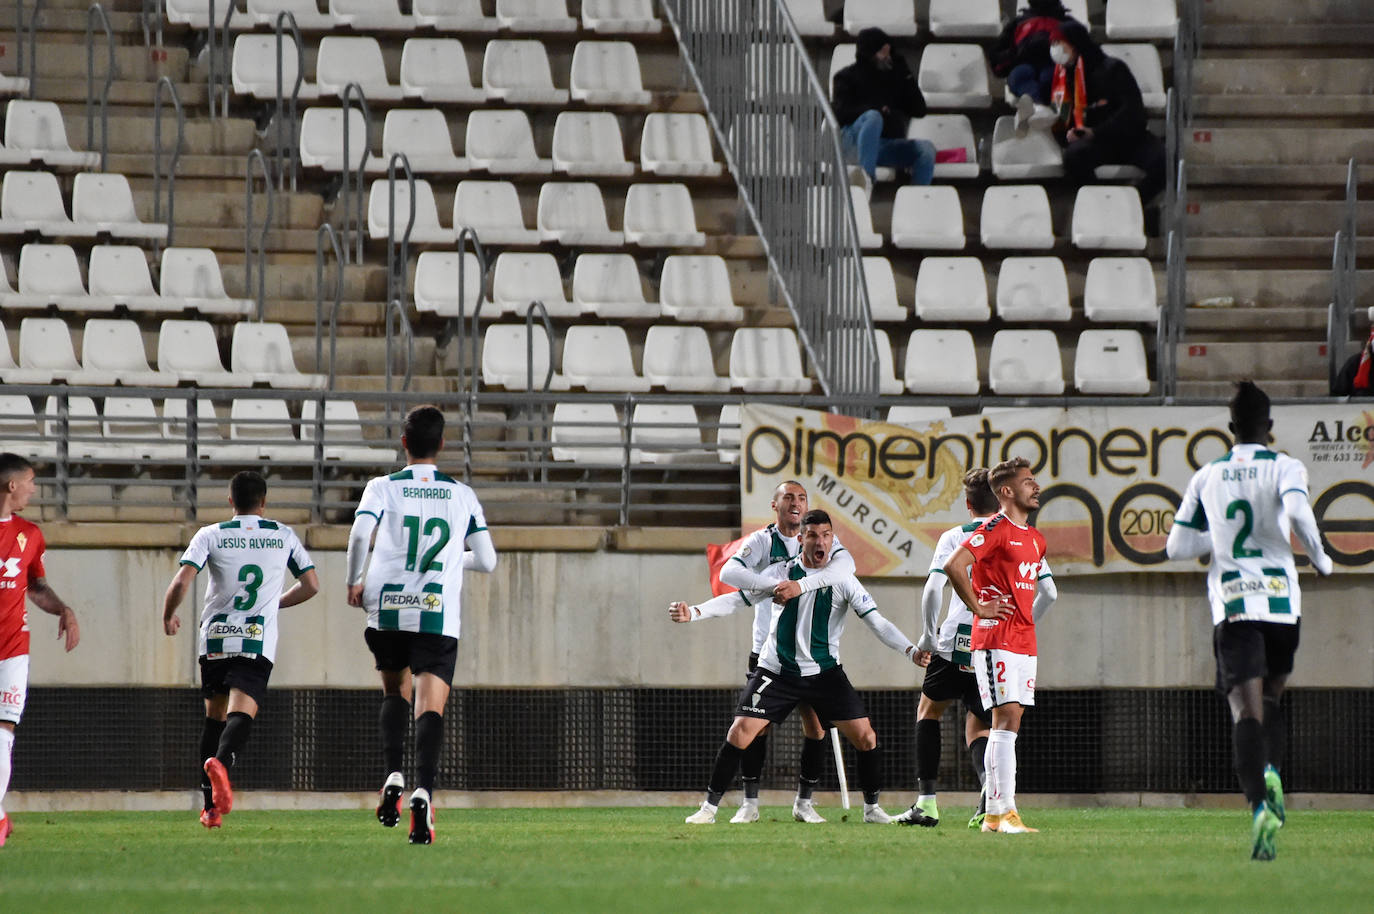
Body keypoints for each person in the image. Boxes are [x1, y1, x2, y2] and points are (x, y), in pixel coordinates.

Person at [1166, 381, 1333, 861]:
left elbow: (1175, 547)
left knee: (1246, 711)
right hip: (1283, 604)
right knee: (1275, 696)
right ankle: (1274, 771)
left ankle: (1259, 806)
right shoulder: (1285, 466)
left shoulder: (1207, 475)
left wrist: (1216, 542)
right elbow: (1300, 513)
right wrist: (1320, 560)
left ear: (1231, 428)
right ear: (1271, 427)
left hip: (1236, 606)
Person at [672, 509, 921, 826]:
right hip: (776, 671)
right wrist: (694, 612)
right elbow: (736, 600)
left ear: (833, 539)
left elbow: (877, 622)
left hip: (824, 674)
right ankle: (708, 809)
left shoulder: (843, 579)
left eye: (826, 535)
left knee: (866, 737)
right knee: (740, 732)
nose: (820, 541)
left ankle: (871, 809)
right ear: (801, 538)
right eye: (813, 535)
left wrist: (910, 649)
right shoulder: (778, 573)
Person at [346, 405, 497, 845]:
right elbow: (487, 560)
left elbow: (358, 536)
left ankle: (393, 773)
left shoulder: (382, 487)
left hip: (387, 608)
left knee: (395, 692)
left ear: (404, 442)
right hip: (436, 613)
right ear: (443, 445)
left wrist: (354, 581)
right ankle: (424, 792)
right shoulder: (461, 494)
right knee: (430, 705)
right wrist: (452, 560)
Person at [896, 468, 1056, 829]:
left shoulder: (958, 534)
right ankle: (990, 797)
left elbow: (934, 588)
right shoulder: (1005, 533)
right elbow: (1050, 592)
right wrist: (1023, 622)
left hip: (959, 640)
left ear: (968, 504)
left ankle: (928, 804)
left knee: (929, 711)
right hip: (996, 640)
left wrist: (927, 637)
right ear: (1002, 495)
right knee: (982, 726)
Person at [163, 470, 320, 829]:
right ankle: (221, 764)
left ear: (231, 500)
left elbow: (182, 579)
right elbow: (310, 585)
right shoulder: (282, 535)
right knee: (241, 714)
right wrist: (273, 603)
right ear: (264, 502)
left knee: (213, 717)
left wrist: (168, 615)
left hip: (215, 637)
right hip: (255, 636)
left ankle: (209, 808)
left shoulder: (211, 534)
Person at [718, 481, 857, 823]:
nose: (795, 503)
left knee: (816, 729)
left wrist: (799, 585)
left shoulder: (822, 540)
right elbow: (730, 572)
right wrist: (776, 586)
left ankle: (804, 803)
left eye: (801, 498)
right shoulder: (763, 541)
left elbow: (844, 569)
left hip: (810, 655)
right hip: (768, 652)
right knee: (756, 729)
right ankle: (750, 803)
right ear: (775, 505)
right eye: (788, 498)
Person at [942, 457, 1050, 835]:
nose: (1035, 487)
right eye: (1028, 481)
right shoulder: (996, 528)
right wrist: (978, 607)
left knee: (1011, 723)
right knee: (1002, 720)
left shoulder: (1036, 539)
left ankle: (997, 815)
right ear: (1006, 491)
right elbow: (955, 566)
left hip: (1024, 640)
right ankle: (1002, 812)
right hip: (996, 638)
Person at [0, 453, 79, 848]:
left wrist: (63, 609)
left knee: (3, 731)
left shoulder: (29, 534)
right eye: (30, 481)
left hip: (12, 649)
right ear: (11, 485)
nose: (34, 488)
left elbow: (35, 586)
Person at [1048, 21, 1167, 206]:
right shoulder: (1062, 79)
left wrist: (1096, 131)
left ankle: (1132, 205)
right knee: (1073, 157)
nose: (1055, 49)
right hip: (1097, 145)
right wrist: (1068, 131)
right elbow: (1063, 118)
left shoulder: (1112, 69)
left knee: (1165, 160)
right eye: (1052, 44)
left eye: (1059, 43)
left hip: (1129, 139)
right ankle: (1102, 206)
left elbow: (1133, 112)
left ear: (1076, 43)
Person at [832, 27, 936, 194]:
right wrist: (875, 109)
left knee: (926, 149)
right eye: (882, 53)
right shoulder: (845, 77)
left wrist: (906, 74)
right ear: (869, 54)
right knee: (873, 117)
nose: (887, 57)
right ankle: (866, 182)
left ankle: (916, 200)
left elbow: (919, 109)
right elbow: (839, 113)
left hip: (882, 146)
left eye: (889, 52)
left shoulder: (894, 78)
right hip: (852, 142)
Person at [992, 0, 1076, 110]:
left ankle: (1043, 107)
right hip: (1023, 64)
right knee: (1019, 75)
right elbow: (997, 57)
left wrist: (1065, 57)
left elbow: (1083, 54)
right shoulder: (1018, 23)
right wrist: (1016, 54)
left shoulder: (1067, 23)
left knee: (1050, 77)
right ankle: (1038, 106)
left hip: (1053, 66)